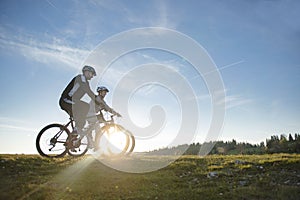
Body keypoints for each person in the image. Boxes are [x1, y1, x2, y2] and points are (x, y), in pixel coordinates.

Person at [59, 65, 97, 136]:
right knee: (85, 106)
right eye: (92, 74)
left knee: (81, 119)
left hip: (71, 101)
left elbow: (89, 92)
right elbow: (88, 91)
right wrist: (96, 99)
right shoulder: (81, 78)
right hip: (66, 100)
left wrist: (98, 102)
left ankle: (71, 139)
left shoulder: (86, 82)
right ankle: (76, 129)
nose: (92, 77)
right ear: (87, 72)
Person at [86, 86, 122, 150]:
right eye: (104, 92)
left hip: (92, 115)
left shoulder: (100, 100)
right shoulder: (98, 99)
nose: (105, 94)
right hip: (90, 115)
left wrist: (107, 110)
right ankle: (93, 144)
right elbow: (107, 108)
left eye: (105, 92)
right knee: (98, 130)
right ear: (100, 92)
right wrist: (116, 113)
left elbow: (104, 108)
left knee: (93, 129)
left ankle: (92, 144)